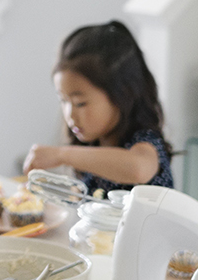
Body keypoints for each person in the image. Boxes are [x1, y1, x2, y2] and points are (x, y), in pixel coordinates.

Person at [22, 20, 174, 194]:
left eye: (80, 103)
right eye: (63, 101)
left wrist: (61, 155)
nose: (70, 115)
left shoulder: (145, 140)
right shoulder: (93, 142)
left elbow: (138, 169)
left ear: (122, 95)